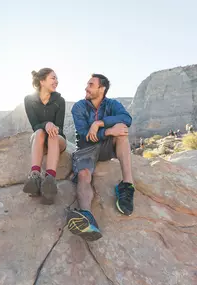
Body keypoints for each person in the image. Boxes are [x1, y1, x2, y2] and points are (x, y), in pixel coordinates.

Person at [67, 73, 135, 241]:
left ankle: (127, 185)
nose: (86, 88)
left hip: (105, 147)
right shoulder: (79, 107)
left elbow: (127, 119)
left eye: (90, 84)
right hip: (86, 148)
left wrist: (100, 124)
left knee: (122, 129)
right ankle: (87, 218)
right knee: (83, 175)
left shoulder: (112, 104)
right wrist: (108, 131)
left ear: (102, 89)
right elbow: (84, 134)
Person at [23, 68, 66, 204]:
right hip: (39, 138)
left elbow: (59, 126)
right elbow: (35, 125)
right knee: (40, 132)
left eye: (56, 79)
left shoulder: (60, 100)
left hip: (57, 140)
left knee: (53, 134)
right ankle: (35, 177)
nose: (56, 81)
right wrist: (46, 124)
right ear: (42, 81)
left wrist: (51, 126)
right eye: (53, 78)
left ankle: (49, 180)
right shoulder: (29, 100)